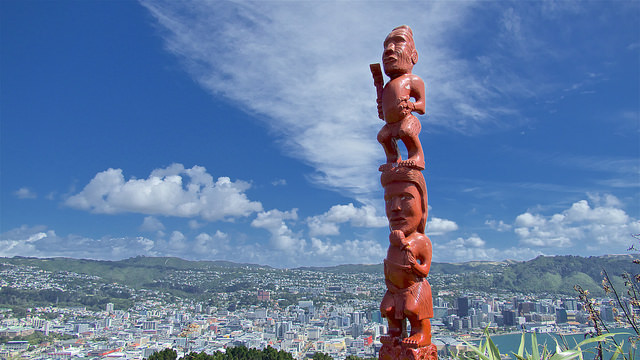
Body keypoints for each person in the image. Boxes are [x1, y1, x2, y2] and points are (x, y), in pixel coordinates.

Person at [379, 167, 433, 348]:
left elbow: (425, 270)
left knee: (412, 308)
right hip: (394, 289)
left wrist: (414, 266)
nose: (395, 207)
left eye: (405, 197)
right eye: (388, 200)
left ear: (422, 204)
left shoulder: (421, 241)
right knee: (387, 309)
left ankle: (421, 332)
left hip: (413, 288)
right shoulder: (393, 240)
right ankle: (395, 331)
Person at [376, 25, 426, 171]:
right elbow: (384, 107)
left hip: (407, 120)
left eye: (398, 42)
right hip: (391, 124)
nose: (389, 49)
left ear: (414, 56)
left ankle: (417, 157)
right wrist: (382, 109)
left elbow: (422, 106)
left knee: (406, 131)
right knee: (383, 136)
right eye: (386, 46)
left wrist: (412, 106)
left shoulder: (413, 80)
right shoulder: (386, 86)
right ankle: (393, 159)